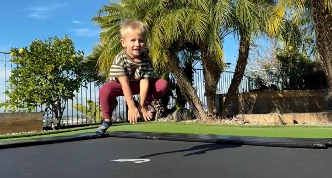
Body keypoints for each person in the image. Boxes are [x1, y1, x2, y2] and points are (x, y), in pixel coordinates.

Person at [96, 20, 169, 136]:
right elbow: (124, 84)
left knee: (162, 84)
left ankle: (145, 103)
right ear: (123, 43)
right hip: (120, 85)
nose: (137, 44)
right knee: (104, 90)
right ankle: (106, 120)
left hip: (137, 85)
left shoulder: (146, 59)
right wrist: (131, 106)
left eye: (140, 40)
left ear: (145, 42)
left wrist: (141, 106)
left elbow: (144, 82)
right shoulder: (120, 59)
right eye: (133, 40)